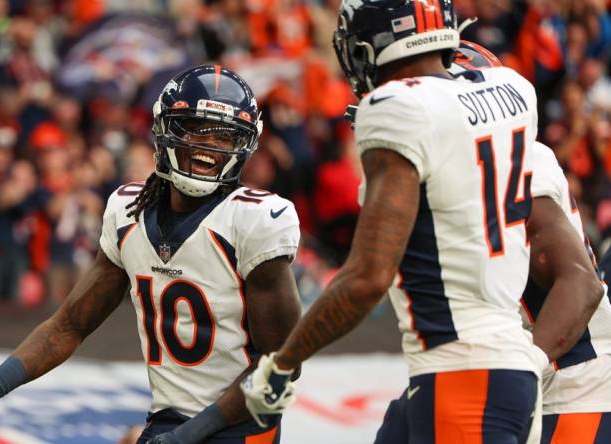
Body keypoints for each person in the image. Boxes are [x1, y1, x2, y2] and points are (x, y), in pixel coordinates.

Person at [242, 2, 600, 442]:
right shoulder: (510, 91)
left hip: (482, 366)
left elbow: (366, 278)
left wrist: (282, 363)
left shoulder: (401, 108)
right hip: (481, 361)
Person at [0, 64, 302, 444]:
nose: (208, 146)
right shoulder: (129, 212)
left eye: (225, 137)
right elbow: (69, 325)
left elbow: (280, 365)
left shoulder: (255, 220)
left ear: (245, 144)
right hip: (171, 421)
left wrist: (192, 434)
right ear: (164, 129)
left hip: (239, 428)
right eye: (194, 128)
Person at [449, 40, 611, 444]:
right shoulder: (462, 168)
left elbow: (580, 284)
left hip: (573, 386)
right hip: (542, 382)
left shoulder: (509, 160)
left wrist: (517, 374)